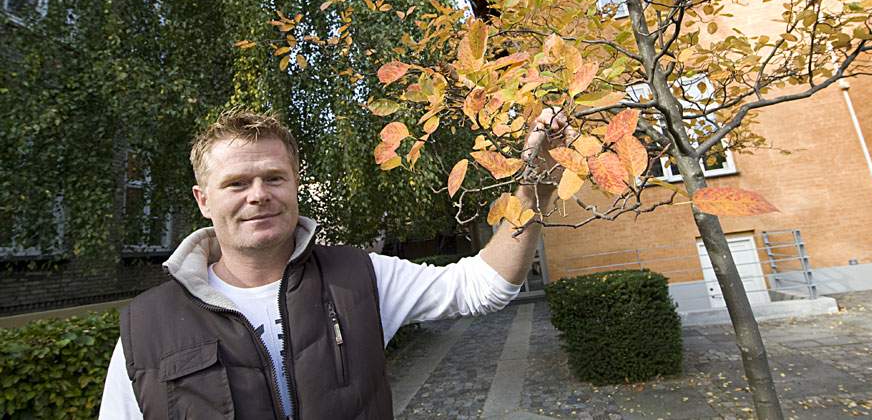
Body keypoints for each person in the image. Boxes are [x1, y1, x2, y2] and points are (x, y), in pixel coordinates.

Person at [99, 109, 562, 419]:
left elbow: (484, 284)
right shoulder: (146, 327)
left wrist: (535, 185)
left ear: (295, 184)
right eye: (237, 183)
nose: (258, 194)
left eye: (274, 178)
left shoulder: (359, 277)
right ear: (204, 200)